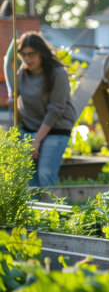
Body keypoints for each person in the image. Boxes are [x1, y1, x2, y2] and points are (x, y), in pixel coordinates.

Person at [4, 32, 77, 187]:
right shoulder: (22, 74)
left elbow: (55, 111)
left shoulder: (58, 74)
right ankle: (33, 210)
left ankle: (54, 210)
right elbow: (7, 62)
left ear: (42, 53)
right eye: (23, 55)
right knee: (28, 177)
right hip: (30, 128)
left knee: (45, 175)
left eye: (31, 54)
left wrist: (36, 141)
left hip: (56, 128)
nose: (27, 59)